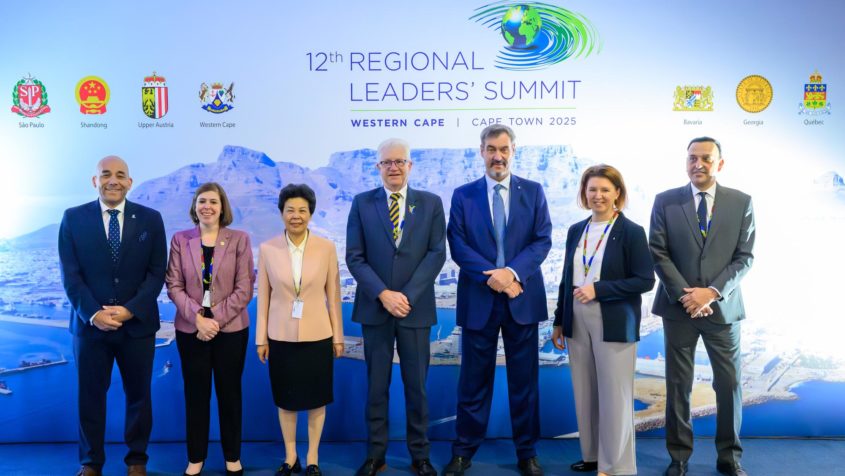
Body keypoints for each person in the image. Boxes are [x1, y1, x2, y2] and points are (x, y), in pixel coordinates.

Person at [443, 124, 552, 476]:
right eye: (491, 149)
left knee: (525, 383)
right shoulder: (464, 195)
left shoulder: (533, 192)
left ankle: (527, 453)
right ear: (481, 151)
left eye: (503, 149)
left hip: (522, 299)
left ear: (514, 150)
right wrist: (497, 278)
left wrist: (512, 274)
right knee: (473, 382)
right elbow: (458, 245)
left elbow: (542, 240)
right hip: (480, 300)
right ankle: (463, 451)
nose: (497, 156)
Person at [649, 137, 755, 476]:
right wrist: (687, 295)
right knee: (679, 384)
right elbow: (658, 252)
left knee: (729, 384)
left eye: (706, 158)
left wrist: (710, 293)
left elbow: (744, 258)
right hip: (677, 309)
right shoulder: (665, 201)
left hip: (722, 310)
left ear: (719, 164)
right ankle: (678, 457)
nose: (698, 164)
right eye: (693, 158)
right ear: (685, 162)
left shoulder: (742, 202)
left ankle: (729, 457)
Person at [59, 156, 166, 476]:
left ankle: (136, 460)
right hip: (91, 328)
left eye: (121, 175)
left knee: (139, 396)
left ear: (130, 182)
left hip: (137, 326)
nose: (113, 180)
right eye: (106, 175)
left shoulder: (150, 218)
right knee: (90, 398)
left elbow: (157, 272)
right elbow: (70, 275)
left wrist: (131, 308)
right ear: (95, 181)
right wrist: (93, 313)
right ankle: (91, 462)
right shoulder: (73, 218)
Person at [346, 138, 446, 476]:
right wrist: (383, 294)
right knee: (377, 386)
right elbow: (355, 258)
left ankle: (420, 455)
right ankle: (376, 454)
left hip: (415, 310)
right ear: (378, 167)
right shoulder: (361, 204)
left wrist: (408, 296)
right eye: (387, 162)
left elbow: (436, 254)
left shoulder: (430, 204)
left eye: (400, 161)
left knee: (416, 387)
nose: (393, 167)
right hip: (376, 309)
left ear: (410, 166)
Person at [551, 165, 655, 476]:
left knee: (614, 395)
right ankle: (593, 456)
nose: (598, 195)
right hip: (576, 319)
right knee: (585, 393)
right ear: (584, 193)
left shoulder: (631, 232)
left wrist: (599, 289)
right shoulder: (575, 230)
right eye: (592, 189)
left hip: (612, 319)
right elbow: (566, 279)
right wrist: (559, 320)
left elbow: (644, 280)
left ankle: (617, 466)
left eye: (605, 190)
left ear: (617, 194)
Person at [165, 182, 255, 476]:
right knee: (196, 394)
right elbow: (174, 285)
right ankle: (196, 458)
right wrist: (198, 319)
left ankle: (232, 457)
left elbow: (245, 288)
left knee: (230, 393)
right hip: (191, 331)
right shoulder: (180, 240)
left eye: (213, 202)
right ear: (194, 206)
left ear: (222, 207)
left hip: (230, 330)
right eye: (202, 201)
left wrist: (213, 318)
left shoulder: (240, 239)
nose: (207, 206)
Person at [255, 184, 344, 476]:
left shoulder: (326, 248)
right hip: (279, 336)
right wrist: (261, 339)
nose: (296, 216)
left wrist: (338, 337)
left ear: (310, 214)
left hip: (318, 334)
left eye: (302, 210)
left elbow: (334, 294)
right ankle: (290, 455)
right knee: (286, 399)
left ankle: (313, 456)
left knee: (317, 399)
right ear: (281, 213)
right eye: (290, 210)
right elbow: (264, 297)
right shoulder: (268, 249)